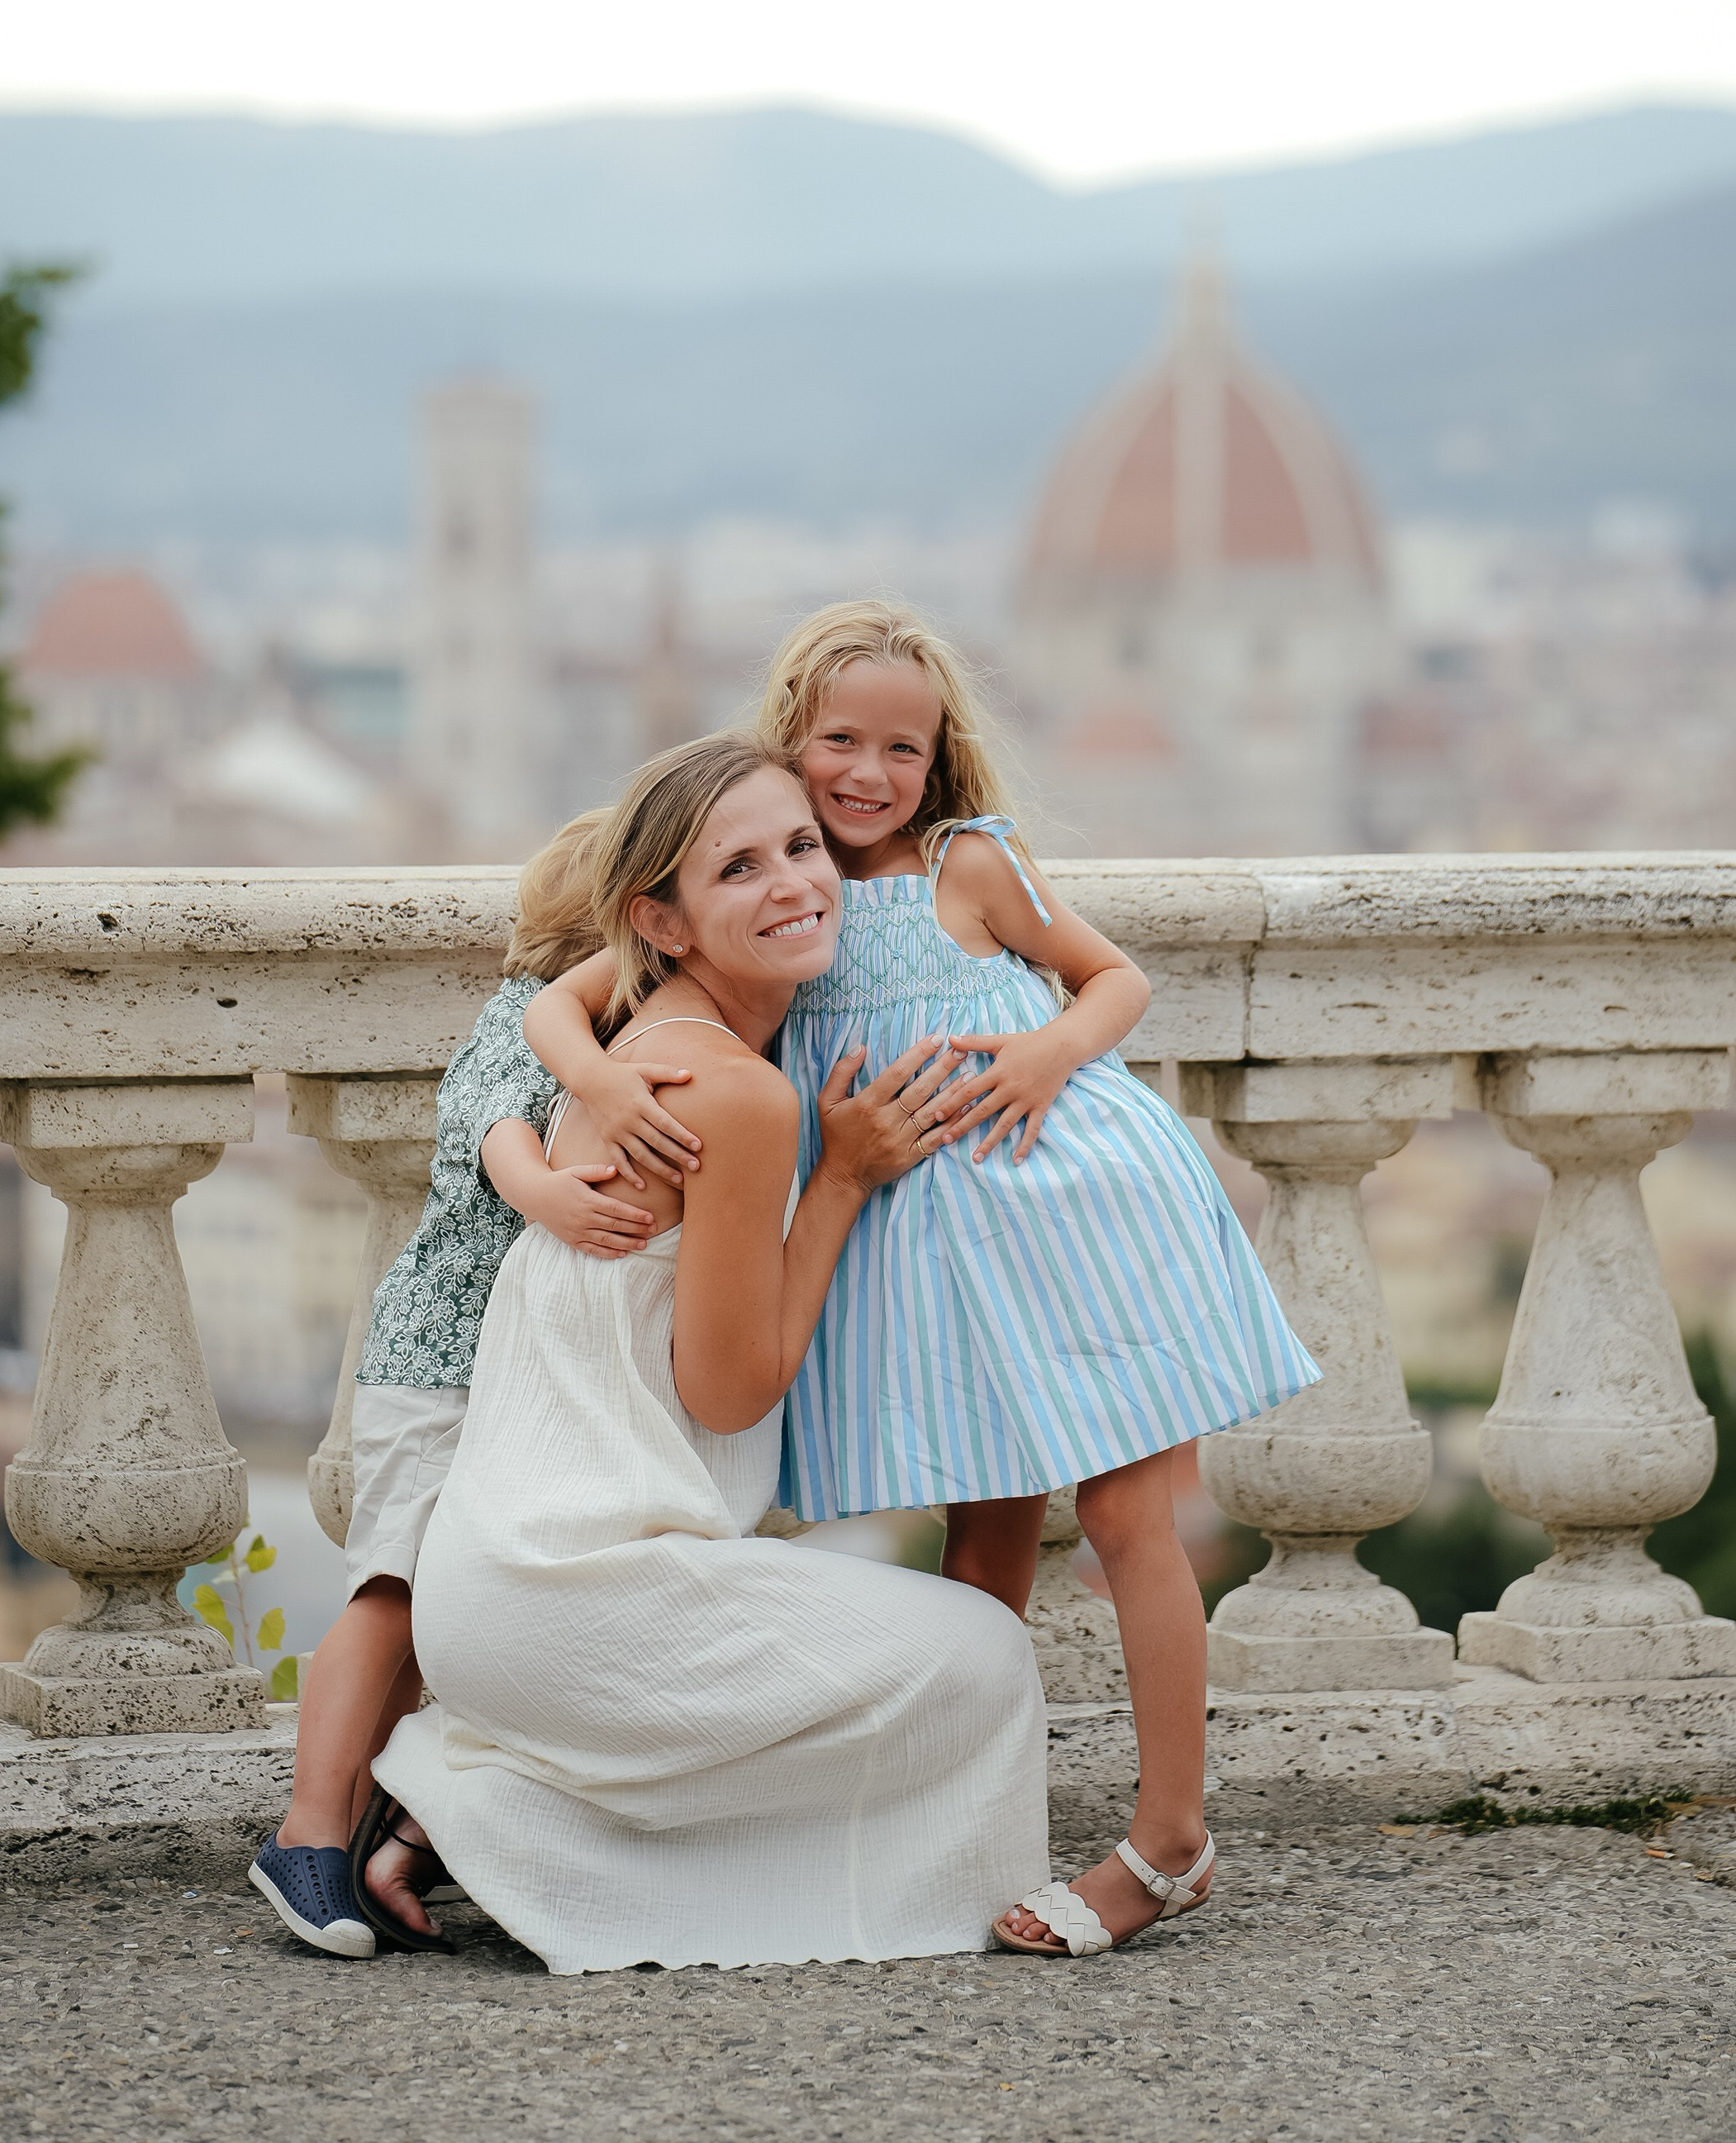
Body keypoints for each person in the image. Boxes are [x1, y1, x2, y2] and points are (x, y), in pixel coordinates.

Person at [525, 601, 1321, 1960]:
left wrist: (1045, 1056)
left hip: (1068, 1204)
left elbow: (1113, 977)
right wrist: (598, 1079)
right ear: (792, 735)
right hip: (943, 1258)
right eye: (841, 738)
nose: (869, 772)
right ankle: (968, 1817)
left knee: (1134, 1520)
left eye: (904, 744)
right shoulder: (776, 873)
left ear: (940, 754)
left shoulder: (969, 863)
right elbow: (568, 1000)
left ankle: (1172, 1839)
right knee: (984, 1540)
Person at [373, 732, 1049, 1974]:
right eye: (739, 868)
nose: (794, 883)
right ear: (662, 920)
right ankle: (497, 1812)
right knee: (989, 1657)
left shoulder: (643, 1030)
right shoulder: (738, 1093)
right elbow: (730, 1394)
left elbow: (562, 1001)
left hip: (494, 1593)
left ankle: (478, 1804)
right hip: (574, 1600)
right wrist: (842, 1176)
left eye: (803, 847)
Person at [249, 803, 724, 1957]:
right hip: (442, 1367)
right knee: (393, 1594)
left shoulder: (599, 1031)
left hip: (501, 1373)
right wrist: (546, 1194)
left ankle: (369, 1836)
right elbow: (490, 1130)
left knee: (452, 1612)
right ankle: (307, 1833)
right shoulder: (525, 1022)